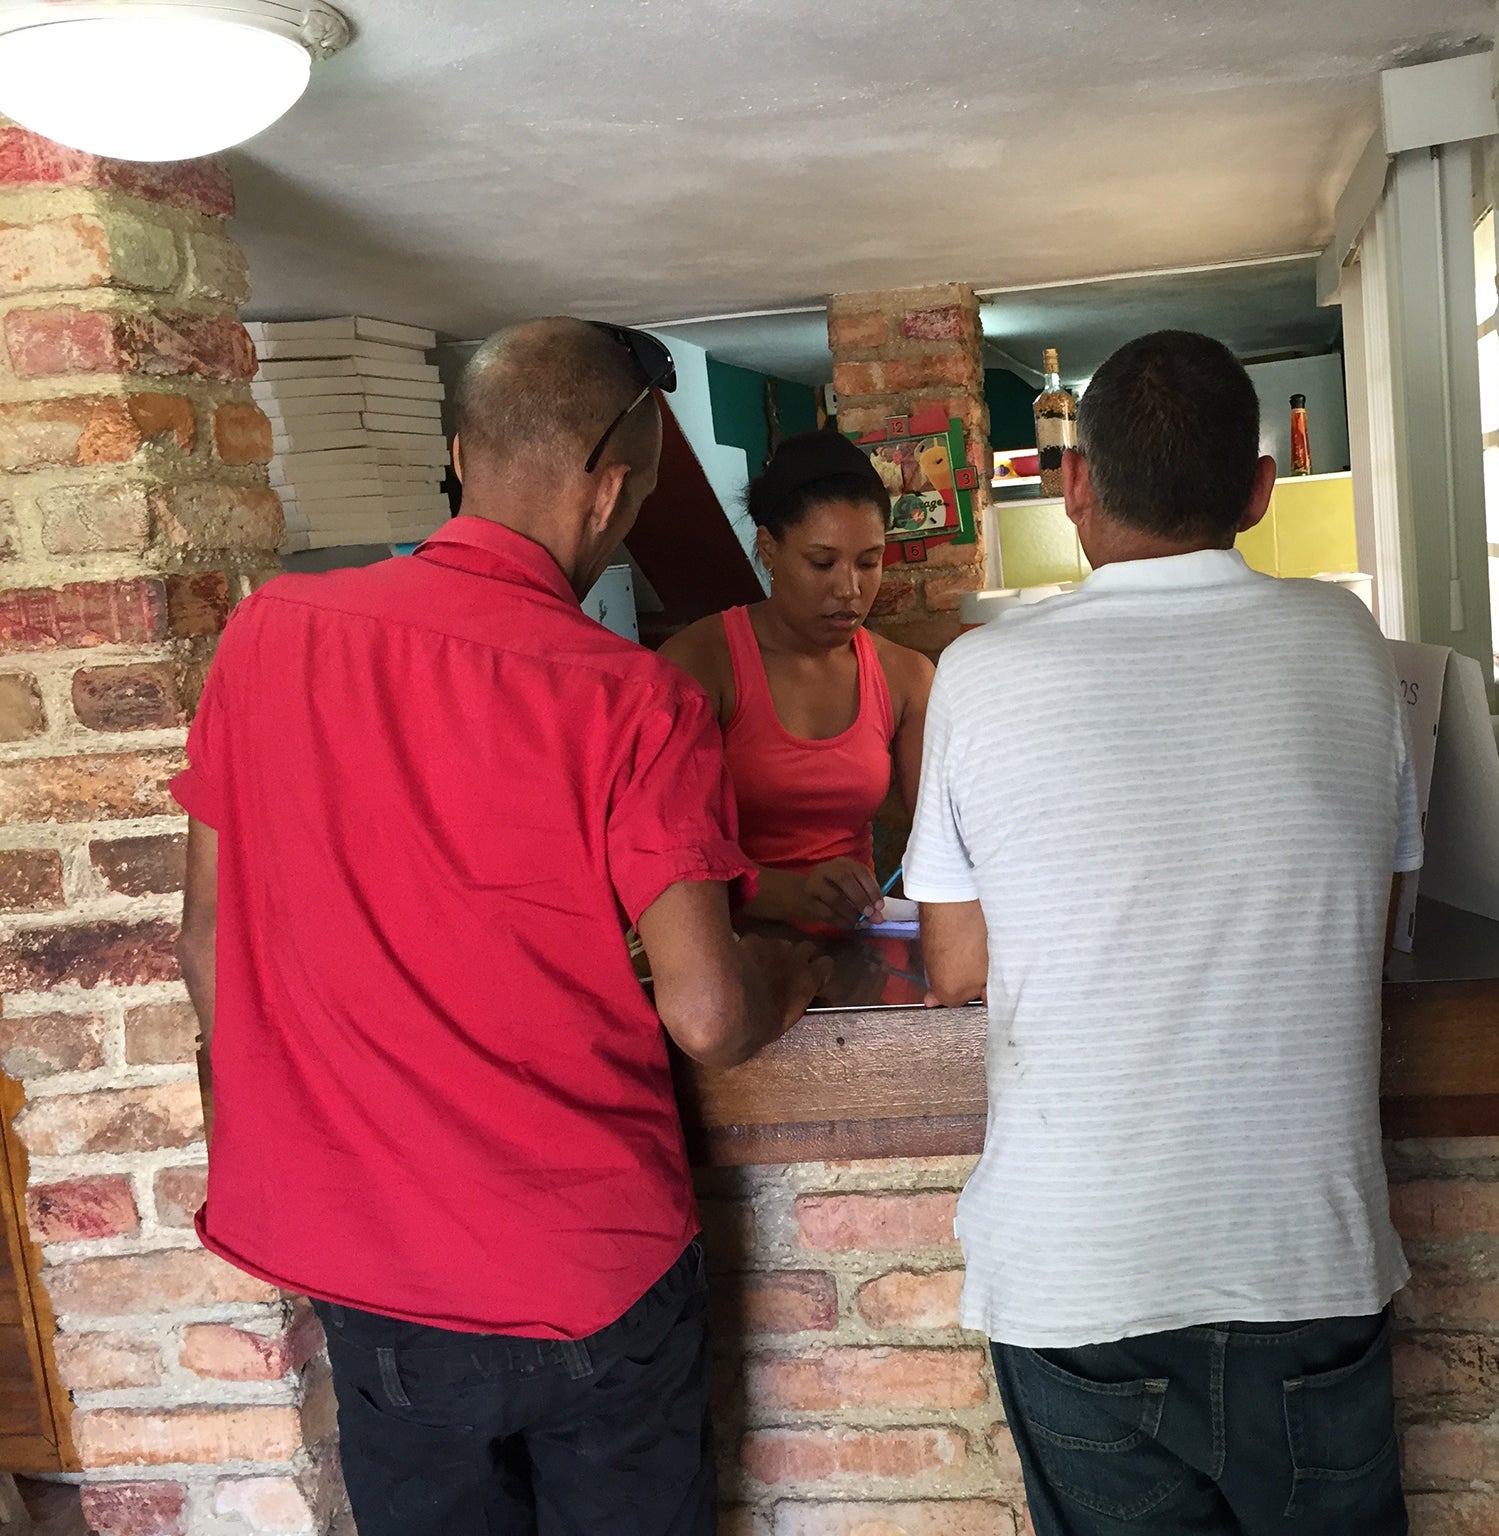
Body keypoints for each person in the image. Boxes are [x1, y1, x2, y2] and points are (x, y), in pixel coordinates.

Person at [173, 317, 829, 1536]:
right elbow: (705, 1013)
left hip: (372, 1274)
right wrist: (783, 973)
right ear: (616, 487)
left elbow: (208, 951)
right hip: (589, 1266)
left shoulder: (266, 637)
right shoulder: (635, 699)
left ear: (463, 451)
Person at [903, 330, 1422, 1536]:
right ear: (1257, 488)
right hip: (1309, 1262)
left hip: (1078, 1275)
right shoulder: (1348, 644)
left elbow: (956, 966)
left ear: (1071, 485)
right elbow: (1379, 921)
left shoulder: (975, 674)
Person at [660, 430, 935, 930]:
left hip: (856, 944)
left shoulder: (906, 677)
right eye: (822, 563)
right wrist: (790, 894)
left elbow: (939, 841)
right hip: (727, 947)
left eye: (870, 562)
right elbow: (670, 855)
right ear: (768, 549)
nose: (850, 588)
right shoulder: (701, 665)